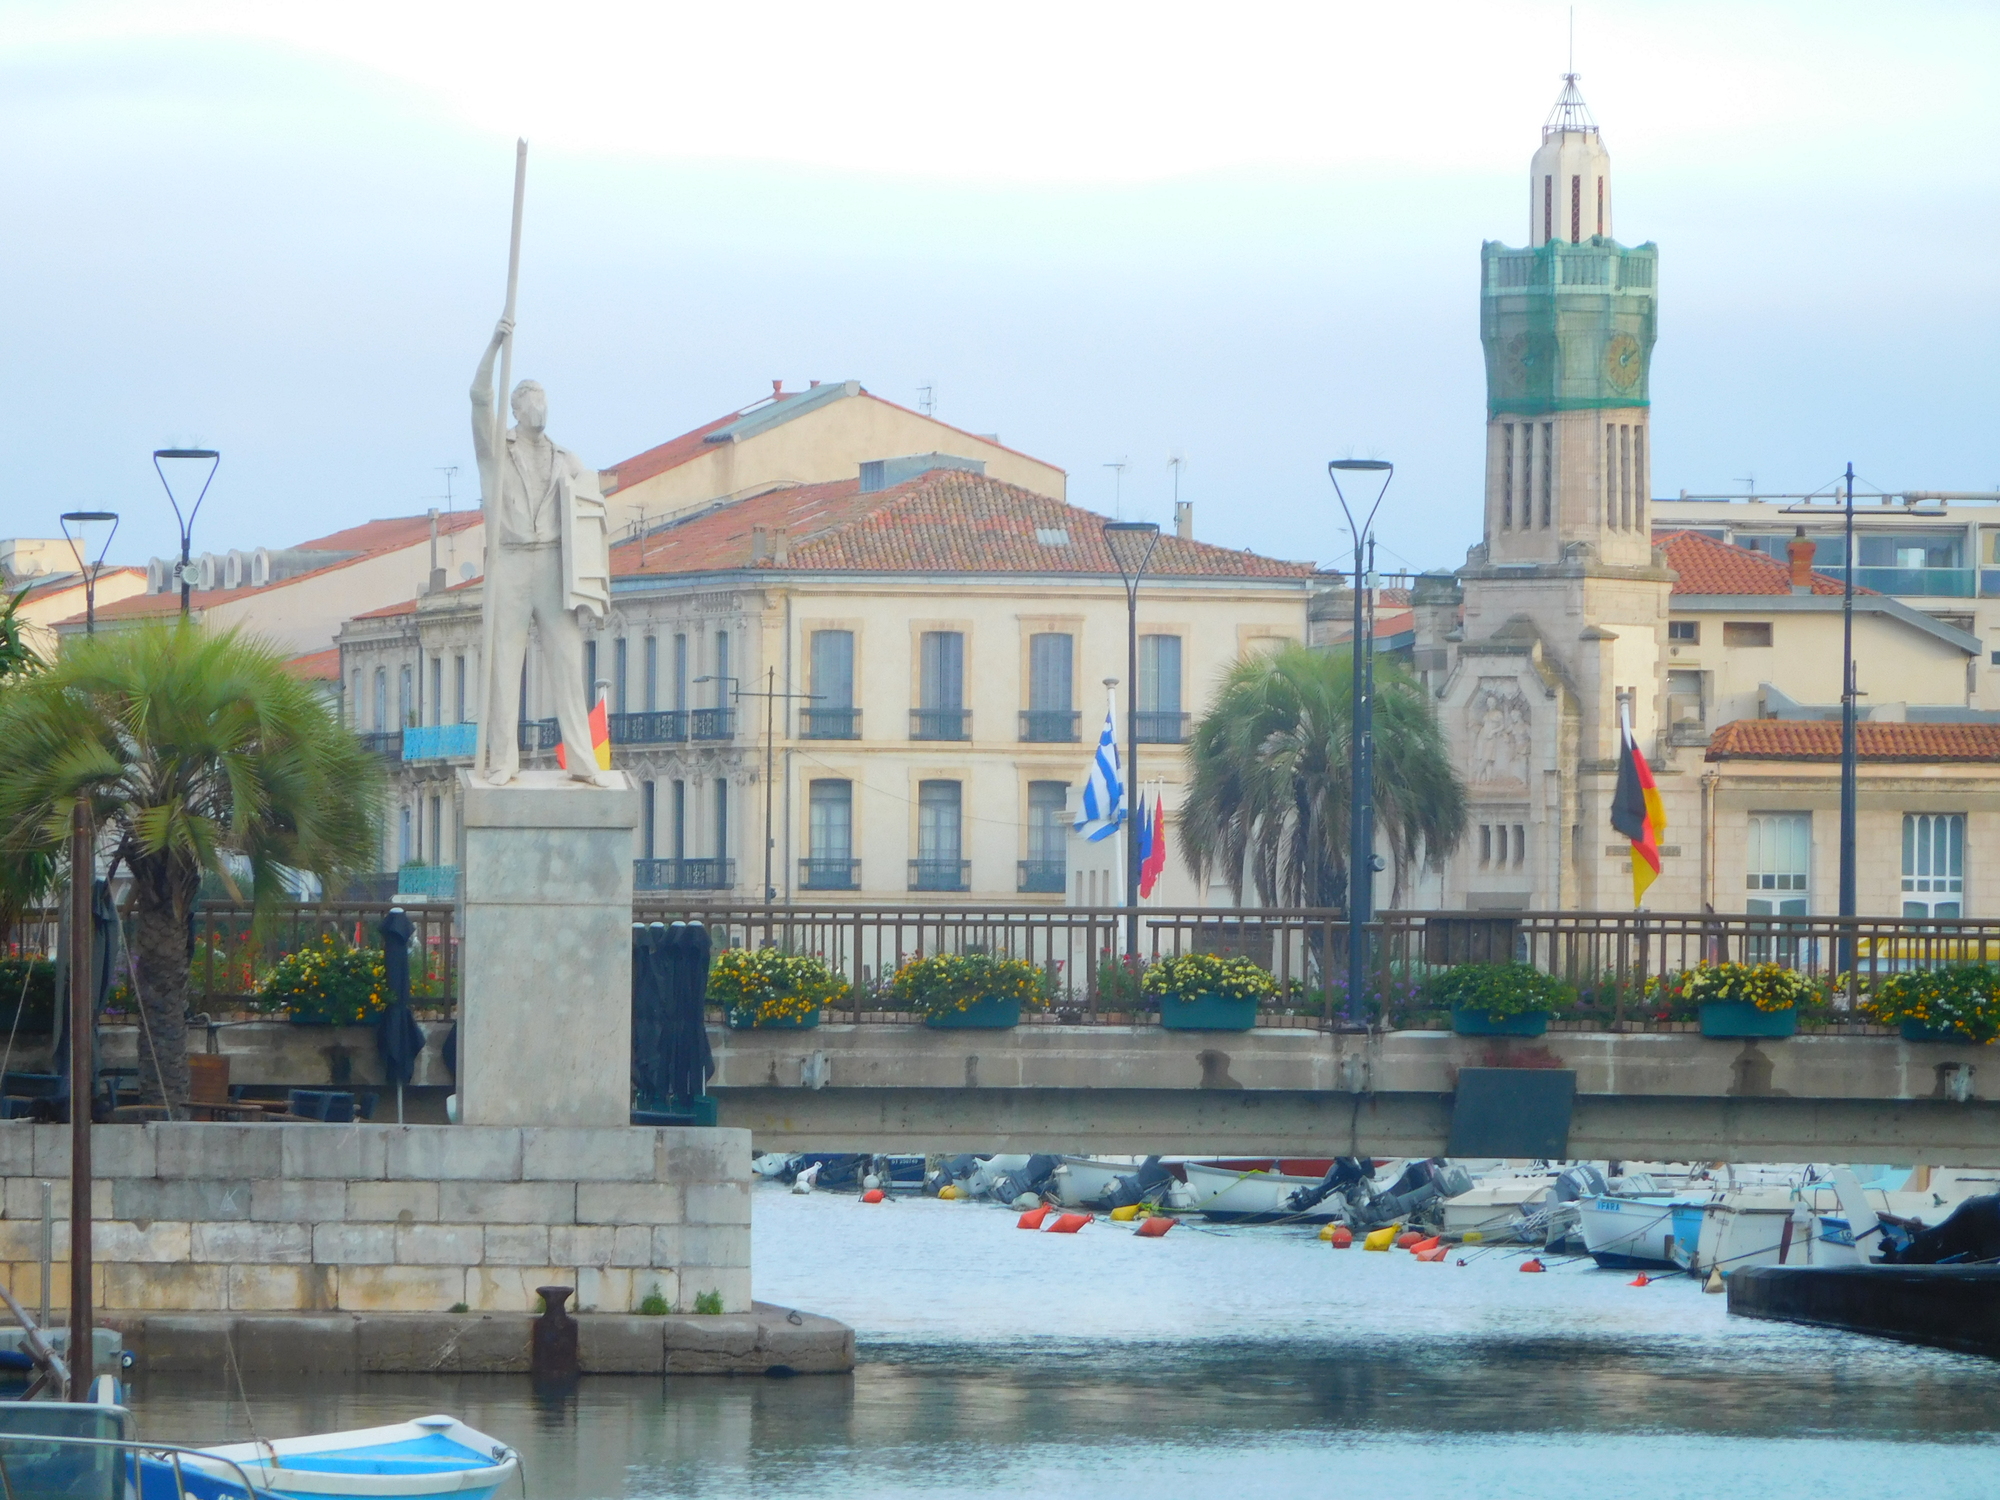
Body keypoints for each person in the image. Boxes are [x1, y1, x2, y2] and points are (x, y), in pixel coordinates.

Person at [470, 317, 614, 786]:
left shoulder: (566, 459)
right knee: (504, 664)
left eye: (543, 398)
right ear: (516, 408)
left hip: (553, 562)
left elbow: (591, 513)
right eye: (531, 399)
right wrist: (495, 344)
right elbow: (478, 396)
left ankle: (582, 759)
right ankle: (503, 759)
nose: (540, 406)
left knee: (569, 662)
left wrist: (590, 582)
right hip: (510, 560)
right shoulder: (496, 449)